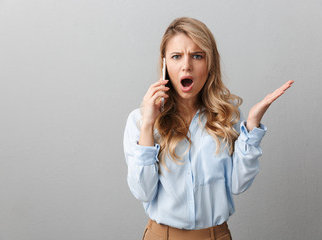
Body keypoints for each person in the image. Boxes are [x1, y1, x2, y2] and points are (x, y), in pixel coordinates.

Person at [123, 17, 293, 240]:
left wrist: (251, 126)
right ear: (165, 64)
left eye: (197, 56)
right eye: (176, 56)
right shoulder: (139, 121)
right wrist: (147, 124)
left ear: (209, 63)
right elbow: (143, 191)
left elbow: (239, 184)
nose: (186, 65)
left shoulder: (227, 117)